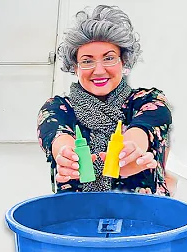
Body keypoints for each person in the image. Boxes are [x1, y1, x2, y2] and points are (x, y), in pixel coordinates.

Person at [37, 5, 176, 195]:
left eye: (109, 58)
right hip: (77, 216)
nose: (99, 70)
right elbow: (59, 138)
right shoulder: (57, 107)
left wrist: (128, 152)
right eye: (87, 61)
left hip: (144, 215)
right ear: (74, 67)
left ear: (124, 61)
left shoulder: (150, 101)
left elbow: (142, 131)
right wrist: (68, 157)